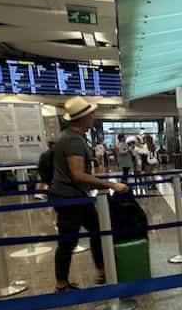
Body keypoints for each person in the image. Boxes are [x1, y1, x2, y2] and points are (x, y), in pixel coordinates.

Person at [49, 97, 129, 292]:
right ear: (83, 117)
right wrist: (111, 184)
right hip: (71, 197)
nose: (93, 116)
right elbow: (77, 175)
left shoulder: (69, 136)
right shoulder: (73, 140)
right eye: (91, 113)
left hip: (75, 196)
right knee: (68, 240)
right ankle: (61, 283)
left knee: (97, 228)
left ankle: (102, 270)